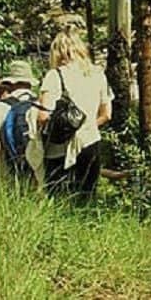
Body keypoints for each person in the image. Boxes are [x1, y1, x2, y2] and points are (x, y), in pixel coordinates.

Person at [35, 31, 113, 196]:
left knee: (58, 200)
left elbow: (43, 116)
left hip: (59, 149)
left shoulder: (55, 75)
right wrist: (87, 126)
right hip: (91, 143)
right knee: (86, 198)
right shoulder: (98, 74)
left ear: (57, 52)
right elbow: (106, 114)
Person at [0, 60, 40, 178]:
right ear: (30, 83)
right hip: (39, 175)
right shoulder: (41, 106)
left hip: (9, 177)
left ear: (9, 83)